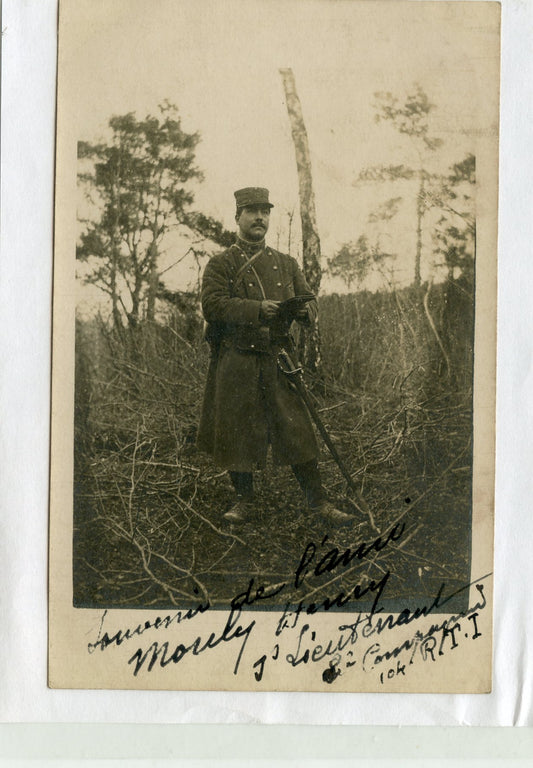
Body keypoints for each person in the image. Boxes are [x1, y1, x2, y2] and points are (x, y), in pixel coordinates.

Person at [197, 186, 351, 524]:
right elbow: (212, 305)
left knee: (297, 429)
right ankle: (243, 501)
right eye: (251, 211)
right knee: (237, 431)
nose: (259, 218)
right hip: (237, 360)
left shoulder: (286, 262)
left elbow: (308, 297)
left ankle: (319, 502)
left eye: (264, 211)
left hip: (280, 359)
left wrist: (306, 311)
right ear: (237, 217)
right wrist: (257, 309)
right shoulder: (221, 264)